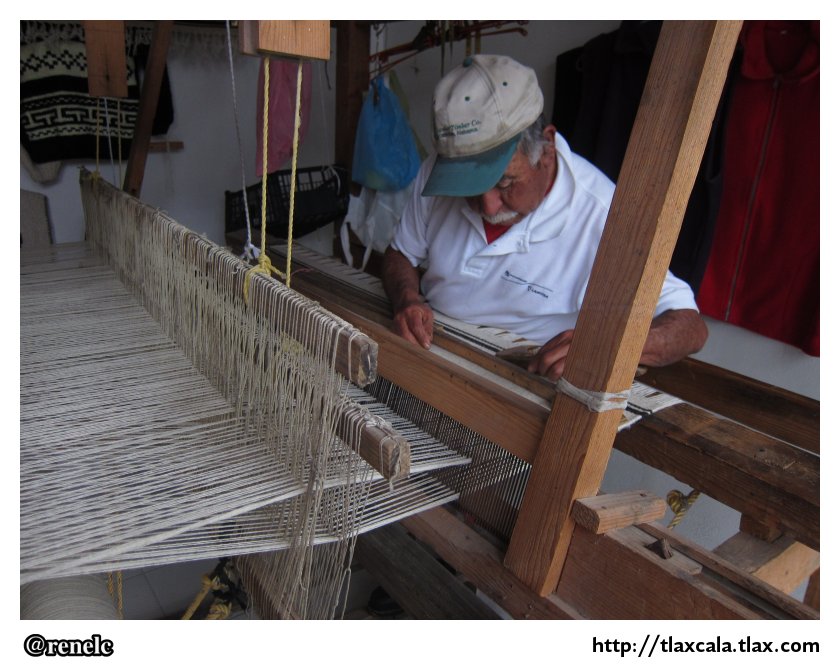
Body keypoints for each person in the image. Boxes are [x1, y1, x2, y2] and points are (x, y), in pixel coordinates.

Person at [382, 54, 708, 381]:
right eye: (468, 187)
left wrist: (604, 347)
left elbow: (690, 327)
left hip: (524, 381)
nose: (488, 206)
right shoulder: (438, 172)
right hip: (432, 355)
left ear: (547, 147)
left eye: (505, 183)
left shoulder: (602, 215)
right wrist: (406, 298)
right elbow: (401, 252)